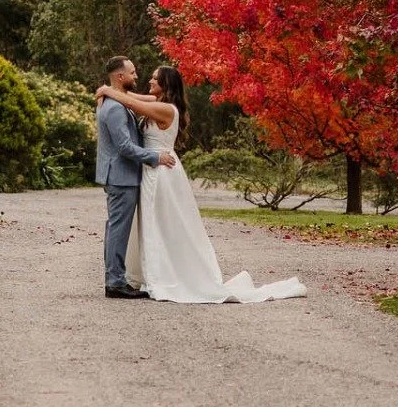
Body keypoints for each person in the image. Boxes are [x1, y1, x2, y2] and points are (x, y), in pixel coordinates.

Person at [101, 65, 306, 304]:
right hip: (151, 168)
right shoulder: (157, 101)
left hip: (161, 171)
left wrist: (106, 89)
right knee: (151, 223)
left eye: (155, 79)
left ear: (165, 85)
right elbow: (130, 97)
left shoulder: (166, 108)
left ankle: (166, 275)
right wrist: (110, 91)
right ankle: (151, 273)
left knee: (162, 223)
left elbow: (131, 102)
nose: (149, 81)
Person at [95, 56, 176, 299]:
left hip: (122, 175)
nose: (137, 77)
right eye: (132, 73)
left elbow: (147, 100)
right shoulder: (115, 108)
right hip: (121, 176)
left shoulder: (117, 102)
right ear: (121, 77)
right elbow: (125, 148)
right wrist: (155, 157)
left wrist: (107, 90)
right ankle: (115, 283)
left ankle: (116, 279)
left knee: (115, 228)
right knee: (118, 229)